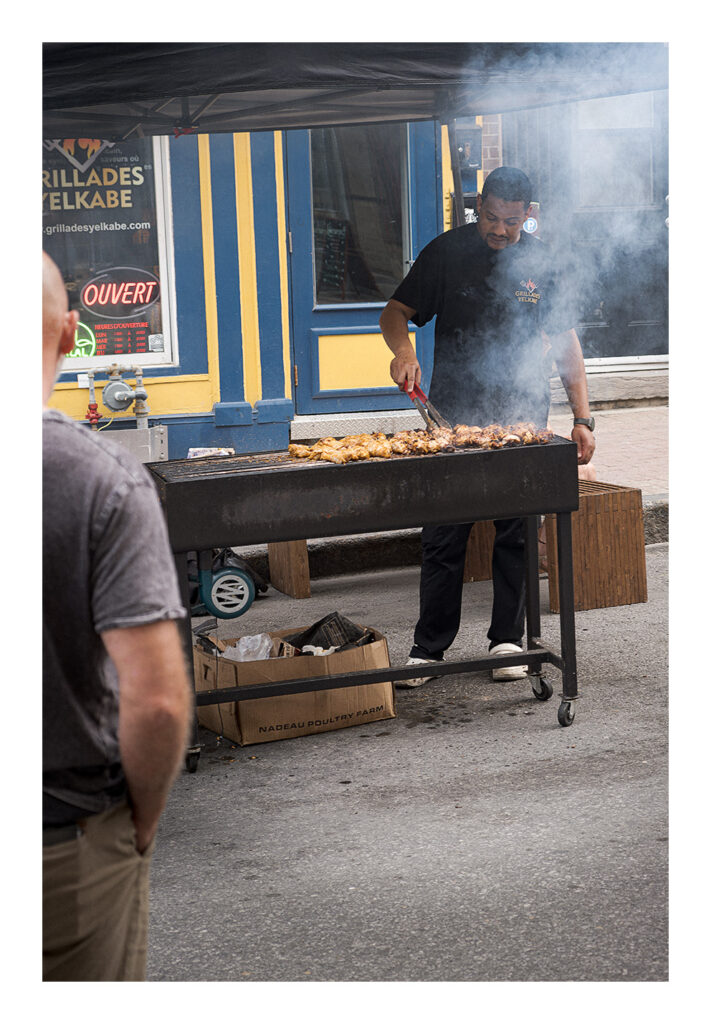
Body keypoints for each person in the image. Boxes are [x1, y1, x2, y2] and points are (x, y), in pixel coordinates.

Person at [379, 166, 595, 687]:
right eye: (491, 217)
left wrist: (583, 418)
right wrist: (403, 351)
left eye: (511, 222)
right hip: (453, 415)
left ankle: (507, 642)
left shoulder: (542, 263)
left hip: (521, 414)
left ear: (529, 215)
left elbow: (566, 345)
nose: (499, 230)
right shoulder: (447, 252)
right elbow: (395, 311)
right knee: (443, 534)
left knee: (516, 531)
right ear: (479, 204)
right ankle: (428, 650)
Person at [42, 251, 192, 980]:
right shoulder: (98, 479)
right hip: (60, 844)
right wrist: (144, 817)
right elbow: (156, 700)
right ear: (69, 333)